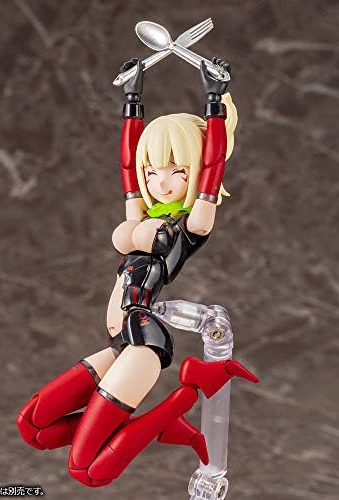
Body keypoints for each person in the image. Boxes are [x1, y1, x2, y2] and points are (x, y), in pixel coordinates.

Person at [17, 57, 257, 487]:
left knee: (86, 471)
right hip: (119, 339)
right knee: (34, 427)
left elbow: (214, 166)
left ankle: (182, 399)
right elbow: (128, 168)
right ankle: (155, 426)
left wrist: (215, 101)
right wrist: (132, 97)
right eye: (154, 170)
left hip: (143, 342)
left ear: (195, 174)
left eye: (177, 171)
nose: (161, 182)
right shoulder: (143, 213)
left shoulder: (191, 224)